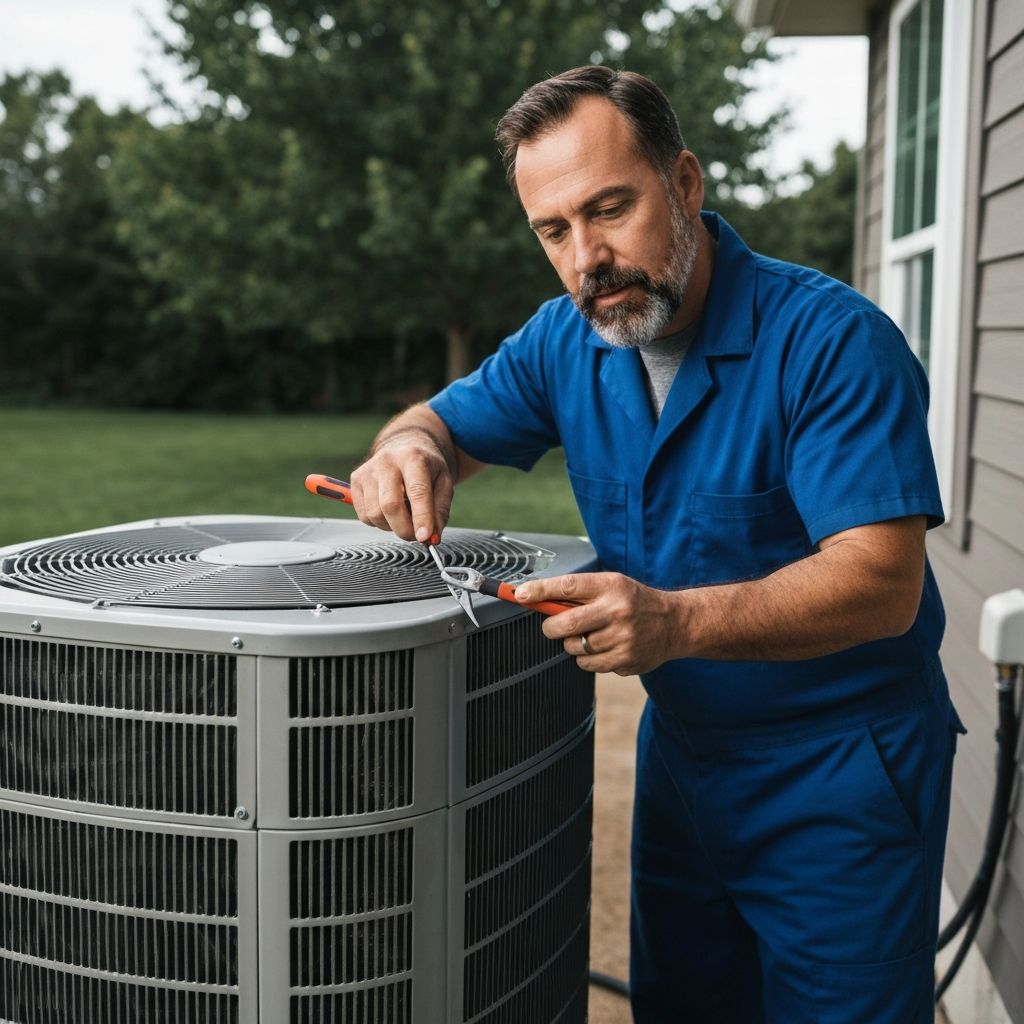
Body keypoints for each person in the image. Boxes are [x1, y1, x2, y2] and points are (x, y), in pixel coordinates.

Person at [347, 66, 963, 1023]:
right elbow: (437, 425)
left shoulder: (836, 342)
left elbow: (880, 583)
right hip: (686, 766)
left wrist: (674, 620)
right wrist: (407, 450)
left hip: (843, 774)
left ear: (684, 184)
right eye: (554, 230)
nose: (587, 256)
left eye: (609, 208)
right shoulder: (566, 341)